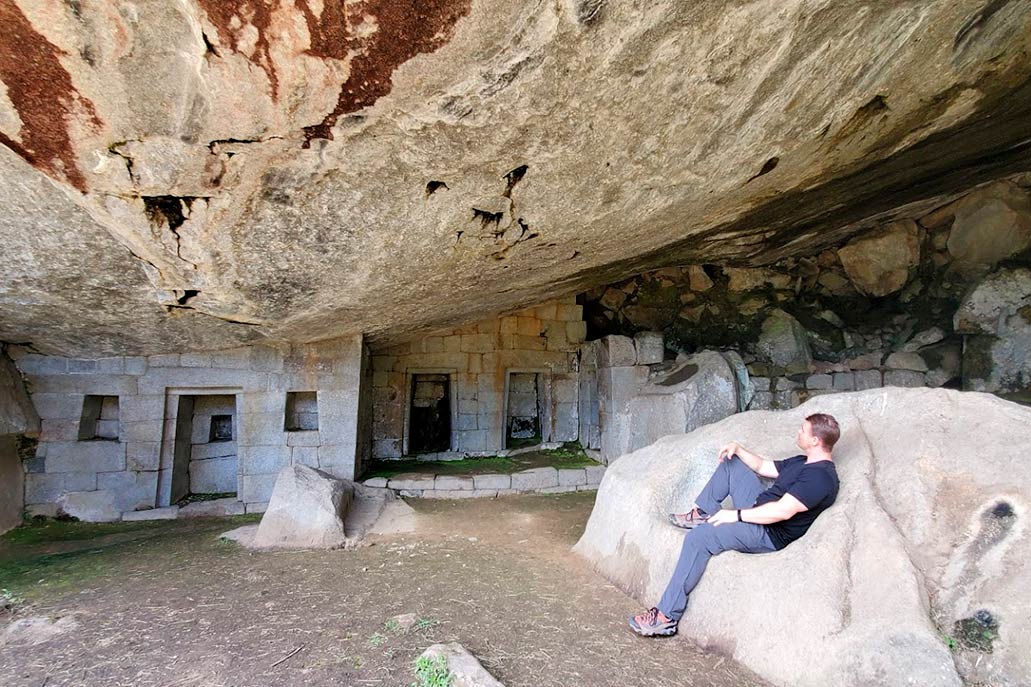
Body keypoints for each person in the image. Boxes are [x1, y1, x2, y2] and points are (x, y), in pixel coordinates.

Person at [628, 413, 841, 637]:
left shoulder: (821, 478)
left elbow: (782, 511)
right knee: (732, 462)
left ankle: (666, 617)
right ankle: (703, 512)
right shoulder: (802, 462)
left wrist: (736, 515)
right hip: (756, 508)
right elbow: (763, 466)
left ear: (816, 440)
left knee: (698, 539)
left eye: (802, 430)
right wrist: (738, 448)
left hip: (768, 532)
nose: (798, 432)